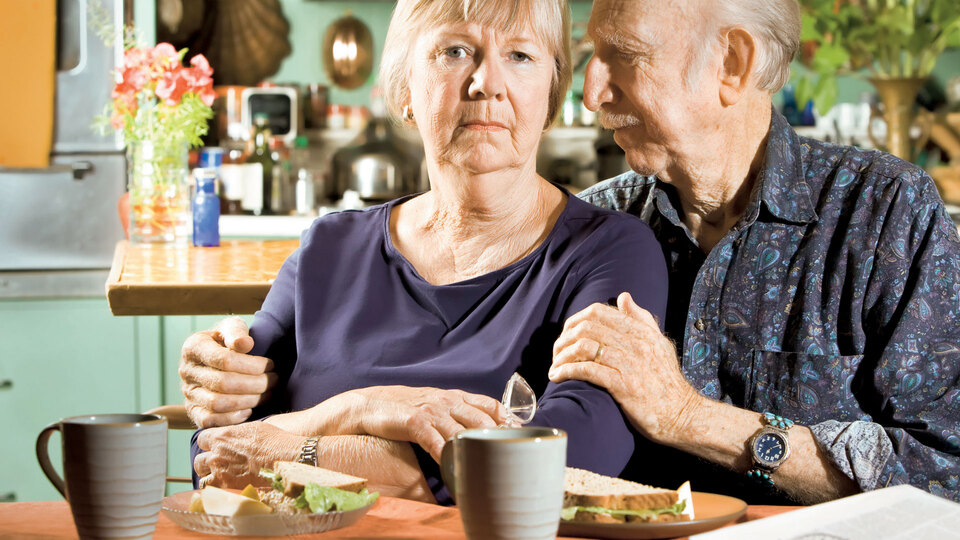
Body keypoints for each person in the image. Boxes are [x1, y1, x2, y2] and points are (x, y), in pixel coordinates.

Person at [181, 0, 668, 504]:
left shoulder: (609, 252)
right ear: (405, 88)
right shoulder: (329, 249)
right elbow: (216, 453)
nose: (488, 84)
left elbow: (562, 462)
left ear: (550, 93)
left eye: (520, 56)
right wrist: (363, 408)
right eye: (455, 51)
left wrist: (295, 450)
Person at [548, 0, 960, 505]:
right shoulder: (591, 226)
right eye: (593, 56)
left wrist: (687, 417)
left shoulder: (886, 215)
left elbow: (944, 472)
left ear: (732, 64)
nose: (592, 94)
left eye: (626, 55)